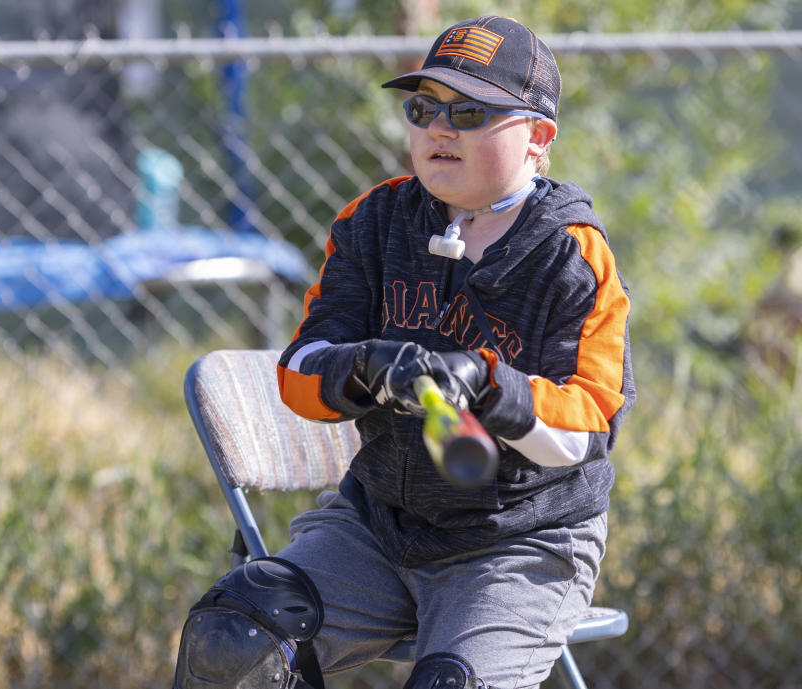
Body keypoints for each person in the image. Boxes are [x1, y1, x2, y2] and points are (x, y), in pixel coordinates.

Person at [173, 15, 635, 689]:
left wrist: (485, 384)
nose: (439, 128)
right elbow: (301, 371)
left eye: (470, 111)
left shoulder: (570, 253)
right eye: (423, 108)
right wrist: (365, 366)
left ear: (538, 138)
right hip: (379, 521)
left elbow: (583, 431)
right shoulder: (374, 222)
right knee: (234, 639)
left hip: (517, 542)